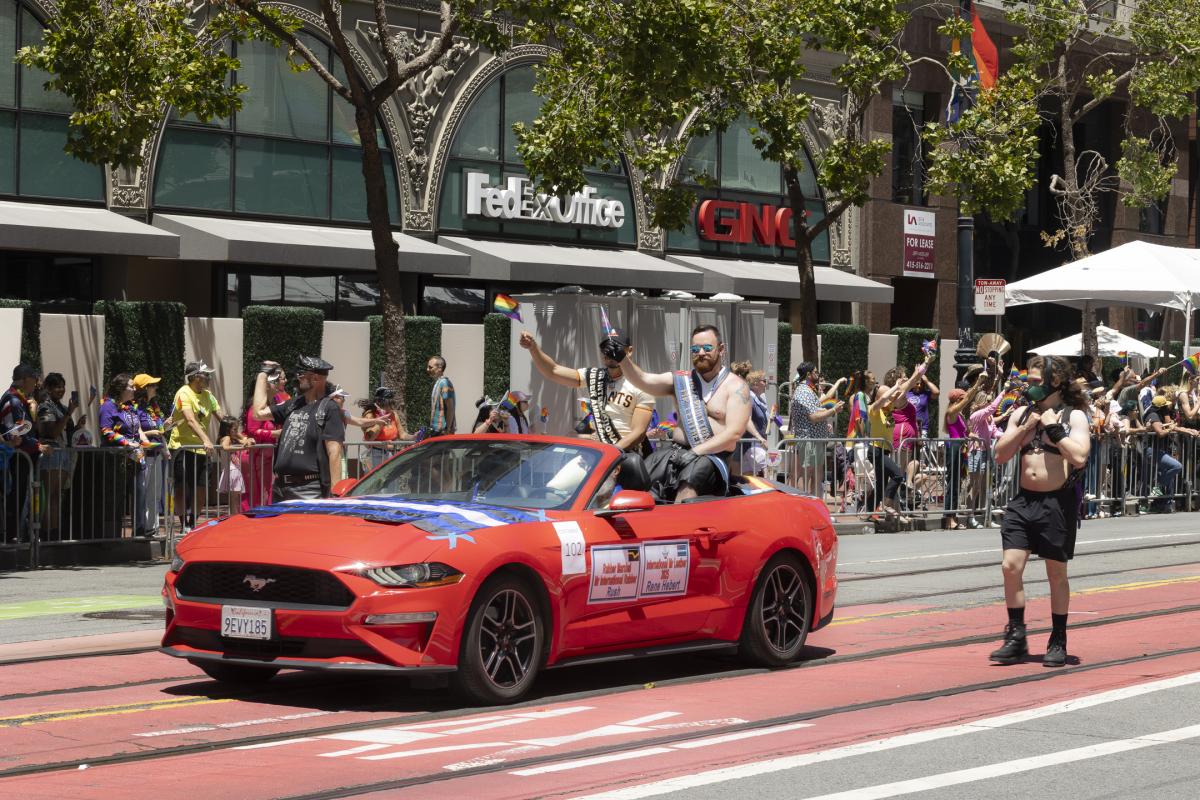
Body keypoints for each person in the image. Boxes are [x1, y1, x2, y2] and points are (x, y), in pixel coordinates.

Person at [990, 355, 1092, 668]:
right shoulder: (1021, 413)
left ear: (1055, 381)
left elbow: (1080, 457)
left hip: (1056, 503)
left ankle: (1058, 638)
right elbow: (1000, 455)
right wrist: (1026, 426)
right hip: (1023, 502)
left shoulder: (1074, 416)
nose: (1029, 386)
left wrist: (1053, 428)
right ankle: (1016, 635)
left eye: (1036, 381)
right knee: (1010, 566)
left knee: (1056, 573)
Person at [621, 324, 752, 503]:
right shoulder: (681, 381)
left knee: (690, 480)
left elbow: (734, 433)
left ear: (721, 349)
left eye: (707, 348)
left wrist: (696, 451)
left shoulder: (736, 386)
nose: (701, 353)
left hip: (713, 458)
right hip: (676, 451)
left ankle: (680, 519)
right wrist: (622, 359)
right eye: (695, 349)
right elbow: (643, 380)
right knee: (640, 476)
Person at [519, 328, 655, 453]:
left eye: (616, 348)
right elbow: (553, 371)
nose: (610, 353)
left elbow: (639, 432)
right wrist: (533, 348)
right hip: (597, 454)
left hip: (624, 454)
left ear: (629, 351)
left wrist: (612, 453)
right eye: (605, 348)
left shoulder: (643, 384)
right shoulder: (594, 376)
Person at [251, 356, 345, 501]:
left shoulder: (329, 408)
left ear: (315, 378)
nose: (298, 377)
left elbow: (334, 453)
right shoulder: (294, 404)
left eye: (302, 374)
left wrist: (335, 496)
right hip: (280, 487)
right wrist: (263, 374)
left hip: (309, 490)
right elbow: (258, 413)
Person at [36, 373, 92, 538]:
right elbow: (52, 433)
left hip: (64, 454)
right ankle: (46, 533)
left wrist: (78, 426)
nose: (61, 390)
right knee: (49, 495)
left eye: (63, 386)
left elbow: (66, 433)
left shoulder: (61, 407)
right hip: (51, 454)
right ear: (48, 388)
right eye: (57, 386)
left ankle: (55, 533)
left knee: (57, 496)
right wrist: (69, 413)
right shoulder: (45, 407)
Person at [169, 361, 220, 530]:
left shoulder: (208, 395)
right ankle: (184, 523)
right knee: (182, 488)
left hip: (201, 450)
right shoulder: (183, 393)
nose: (209, 377)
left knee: (201, 488)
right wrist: (206, 439)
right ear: (196, 377)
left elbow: (223, 418)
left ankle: (193, 523)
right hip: (182, 447)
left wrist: (240, 437)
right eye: (206, 375)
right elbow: (190, 420)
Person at [98, 373, 152, 536]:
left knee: (139, 494)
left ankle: (139, 531)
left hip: (136, 458)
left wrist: (146, 443)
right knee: (115, 497)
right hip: (115, 459)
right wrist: (126, 442)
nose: (134, 389)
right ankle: (111, 535)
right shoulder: (108, 406)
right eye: (131, 386)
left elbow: (137, 430)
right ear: (121, 388)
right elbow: (106, 431)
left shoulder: (129, 406)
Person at [1, 364, 46, 541]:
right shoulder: (13, 400)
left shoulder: (20, 400)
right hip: (15, 458)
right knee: (15, 497)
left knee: (21, 497)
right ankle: (10, 537)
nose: (36, 383)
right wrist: (37, 446)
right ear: (26, 379)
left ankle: (15, 535)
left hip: (21, 458)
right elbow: (14, 433)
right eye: (34, 379)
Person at [788, 362, 842, 496]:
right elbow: (813, 417)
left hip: (814, 439)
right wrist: (833, 410)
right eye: (816, 372)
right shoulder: (804, 391)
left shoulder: (809, 390)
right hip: (808, 439)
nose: (818, 375)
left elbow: (816, 410)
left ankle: (813, 503)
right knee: (806, 474)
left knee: (815, 474)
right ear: (808, 374)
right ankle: (803, 504)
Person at [942, 372, 987, 530]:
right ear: (957, 400)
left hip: (960, 448)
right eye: (961, 399)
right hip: (954, 448)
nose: (964, 401)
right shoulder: (952, 412)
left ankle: (952, 516)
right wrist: (978, 383)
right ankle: (949, 518)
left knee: (957, 483)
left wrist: (975, 437)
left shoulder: (959, 415)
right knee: (952, 484)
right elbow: (968, 398)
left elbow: (966, 433)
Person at [243, 365, 289, 510]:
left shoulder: (275, 402)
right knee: (256, 496)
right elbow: (252, 430)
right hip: (255, 456)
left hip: (266, 458)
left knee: (266, 494)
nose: (283, 382)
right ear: (267, 385)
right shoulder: (255, 407)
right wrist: (275, 433)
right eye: (277, 380)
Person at [133, 374, 172, 536]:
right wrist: (151, 432)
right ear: (144, 389)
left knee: (155, 494)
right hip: (143, 455)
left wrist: (166, 426)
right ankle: (141, 528)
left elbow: (160, 430)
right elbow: (133, 430)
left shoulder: (153, 406)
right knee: (142, 493)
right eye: (152, 385)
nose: (156, 388)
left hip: (156, 454)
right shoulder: (135, 407)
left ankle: (152, 527)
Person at [361, 386, 407, 469]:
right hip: (375, 455)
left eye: (391, 404)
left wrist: (414, 436)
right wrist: (381, 421)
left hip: (390, 454)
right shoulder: (370, 415)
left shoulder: (393, 414)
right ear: (379, 404)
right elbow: (368, 439)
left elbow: (402, 435)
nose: (390, 408)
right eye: (387, 405)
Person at [427, 355, 456, 437]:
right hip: (437, 430)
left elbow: (450, 407)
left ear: (440, 368)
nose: (427, 369)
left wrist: (448, 429)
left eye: (430, 367)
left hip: (442, 431)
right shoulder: (439, 382)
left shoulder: (444, 383)